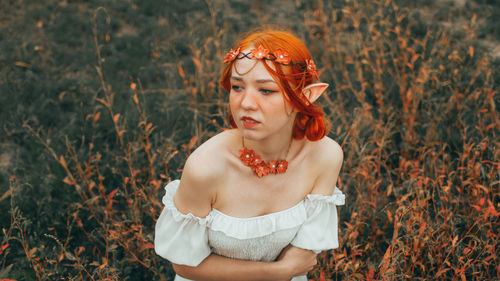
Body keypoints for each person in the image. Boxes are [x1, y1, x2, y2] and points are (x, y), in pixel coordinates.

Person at [154, 28, 345, 281]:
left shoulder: (325, 156)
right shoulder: (206, 168)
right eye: (237, 87)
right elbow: (185, 265)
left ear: (307, 95)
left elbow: (305, 253)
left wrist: (289, 269)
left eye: (266, 90)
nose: (246, 103)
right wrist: (279, 272)